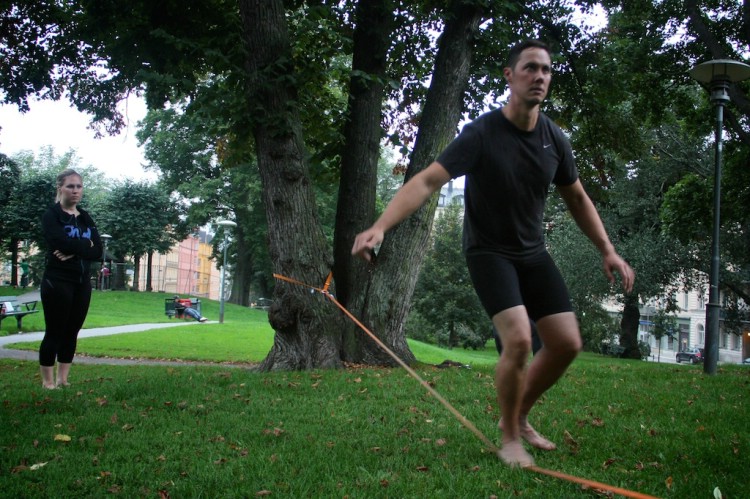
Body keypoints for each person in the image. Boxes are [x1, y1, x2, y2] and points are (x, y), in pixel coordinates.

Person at [352, 40, 634, 468]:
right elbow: (427, 182)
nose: (540, 76)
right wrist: (379, 227)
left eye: (546, 70)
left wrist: (607, 251)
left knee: (566, 342)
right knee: (520, 339)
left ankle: (520, 417)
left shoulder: (553, 139)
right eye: (530, 68)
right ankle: (508, 437)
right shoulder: (481, 134)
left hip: (533, 252)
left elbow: (577, 198)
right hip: (489, 252)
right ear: (510, 75)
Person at [39, 169, 103, 389]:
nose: (75, 191)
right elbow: (59, 242)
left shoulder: (85, 217)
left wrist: (77, 250)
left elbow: (98, 251)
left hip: (82, 281)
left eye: (79, 186)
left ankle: (63, 379)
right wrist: (86, 246)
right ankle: (48, 382)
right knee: (55, 330)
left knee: (72, 330)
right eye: (70, 186)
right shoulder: (52, 215)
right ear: (60, 188)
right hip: (57, 280)